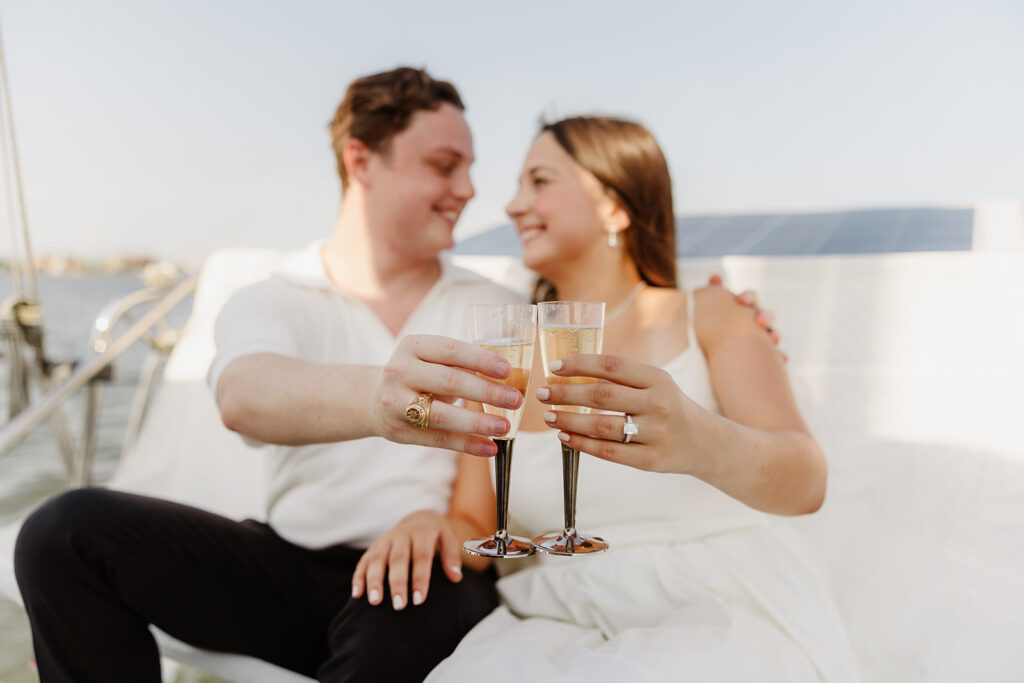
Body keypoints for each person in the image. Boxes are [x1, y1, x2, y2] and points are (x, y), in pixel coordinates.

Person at [13, 67, 524, 683]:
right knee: (62, 533)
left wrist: (437, 527)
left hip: (423, 570)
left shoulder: (493, 309)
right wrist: (380, 397)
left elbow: (483, 501)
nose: (468, 189)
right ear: (360, 160)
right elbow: (243, 393)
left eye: (470, 168)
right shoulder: (275, 296)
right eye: (445, 166)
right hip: (286, 570)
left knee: (405, 615)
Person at [360, 116, 860, 682]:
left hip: (716, 610)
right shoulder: (508, 353)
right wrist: (429, 524)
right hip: (552, 622)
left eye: (540, 182)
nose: (513, 206)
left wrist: (700, 440)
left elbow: (807, 481)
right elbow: (475, 522)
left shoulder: (710, 315)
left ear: (615, 207)